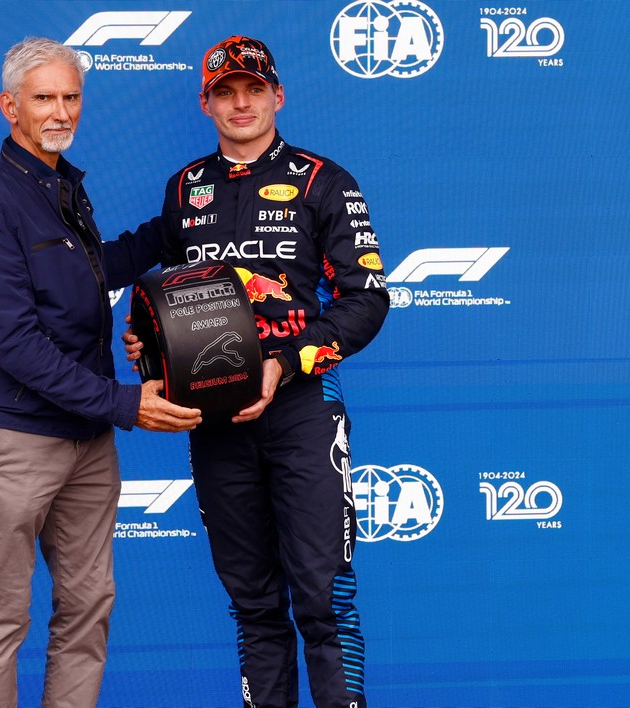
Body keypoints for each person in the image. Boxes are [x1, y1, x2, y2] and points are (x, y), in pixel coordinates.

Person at [126, 36, 389, 707]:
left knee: (324, 598)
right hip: (217, 420)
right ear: (205, 102)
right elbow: (179, 301)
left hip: (302, 409)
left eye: (253, 88)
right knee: (253, 604)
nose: (240, 102)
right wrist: (151, 351)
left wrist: (283, 361)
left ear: (278, 95)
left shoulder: (325, 181)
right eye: (225, 91)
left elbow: (367, 300)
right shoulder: (186, 189)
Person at [0, 37, 202, 708]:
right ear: (10, 106)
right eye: (44, 98)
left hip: (85, 442)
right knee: (1, 623)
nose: (60, 111)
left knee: (87, 610)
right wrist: (122, 403)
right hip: (13, 441)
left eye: (71, 96)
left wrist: (173, 229)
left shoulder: (61, 186)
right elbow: (17, 345)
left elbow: (87, 277)